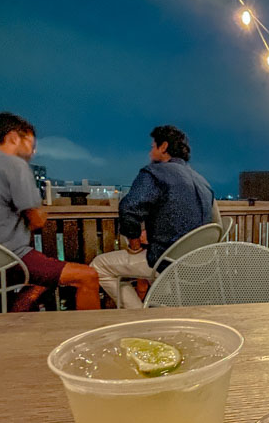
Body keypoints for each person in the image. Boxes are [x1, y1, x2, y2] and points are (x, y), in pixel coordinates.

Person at [0, 111, 100, 311]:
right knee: (87, 276)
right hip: (2, 260)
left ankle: (12, 320)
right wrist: (40, 213)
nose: (33, 151)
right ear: (13, 137)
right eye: (31, 143)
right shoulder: (15, 165)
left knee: (42, 277)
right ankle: (89, 338)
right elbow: (37, 220)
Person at [91, 125, 214, 308]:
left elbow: (129, 208)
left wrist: (134, 244)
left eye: (152, 147)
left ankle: (140, 315)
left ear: (163, 147)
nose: (150, 153)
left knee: (99, 266)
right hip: (199, 264)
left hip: (166, 263)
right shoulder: (203, 182)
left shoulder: (155, 173)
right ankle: (157, 309)